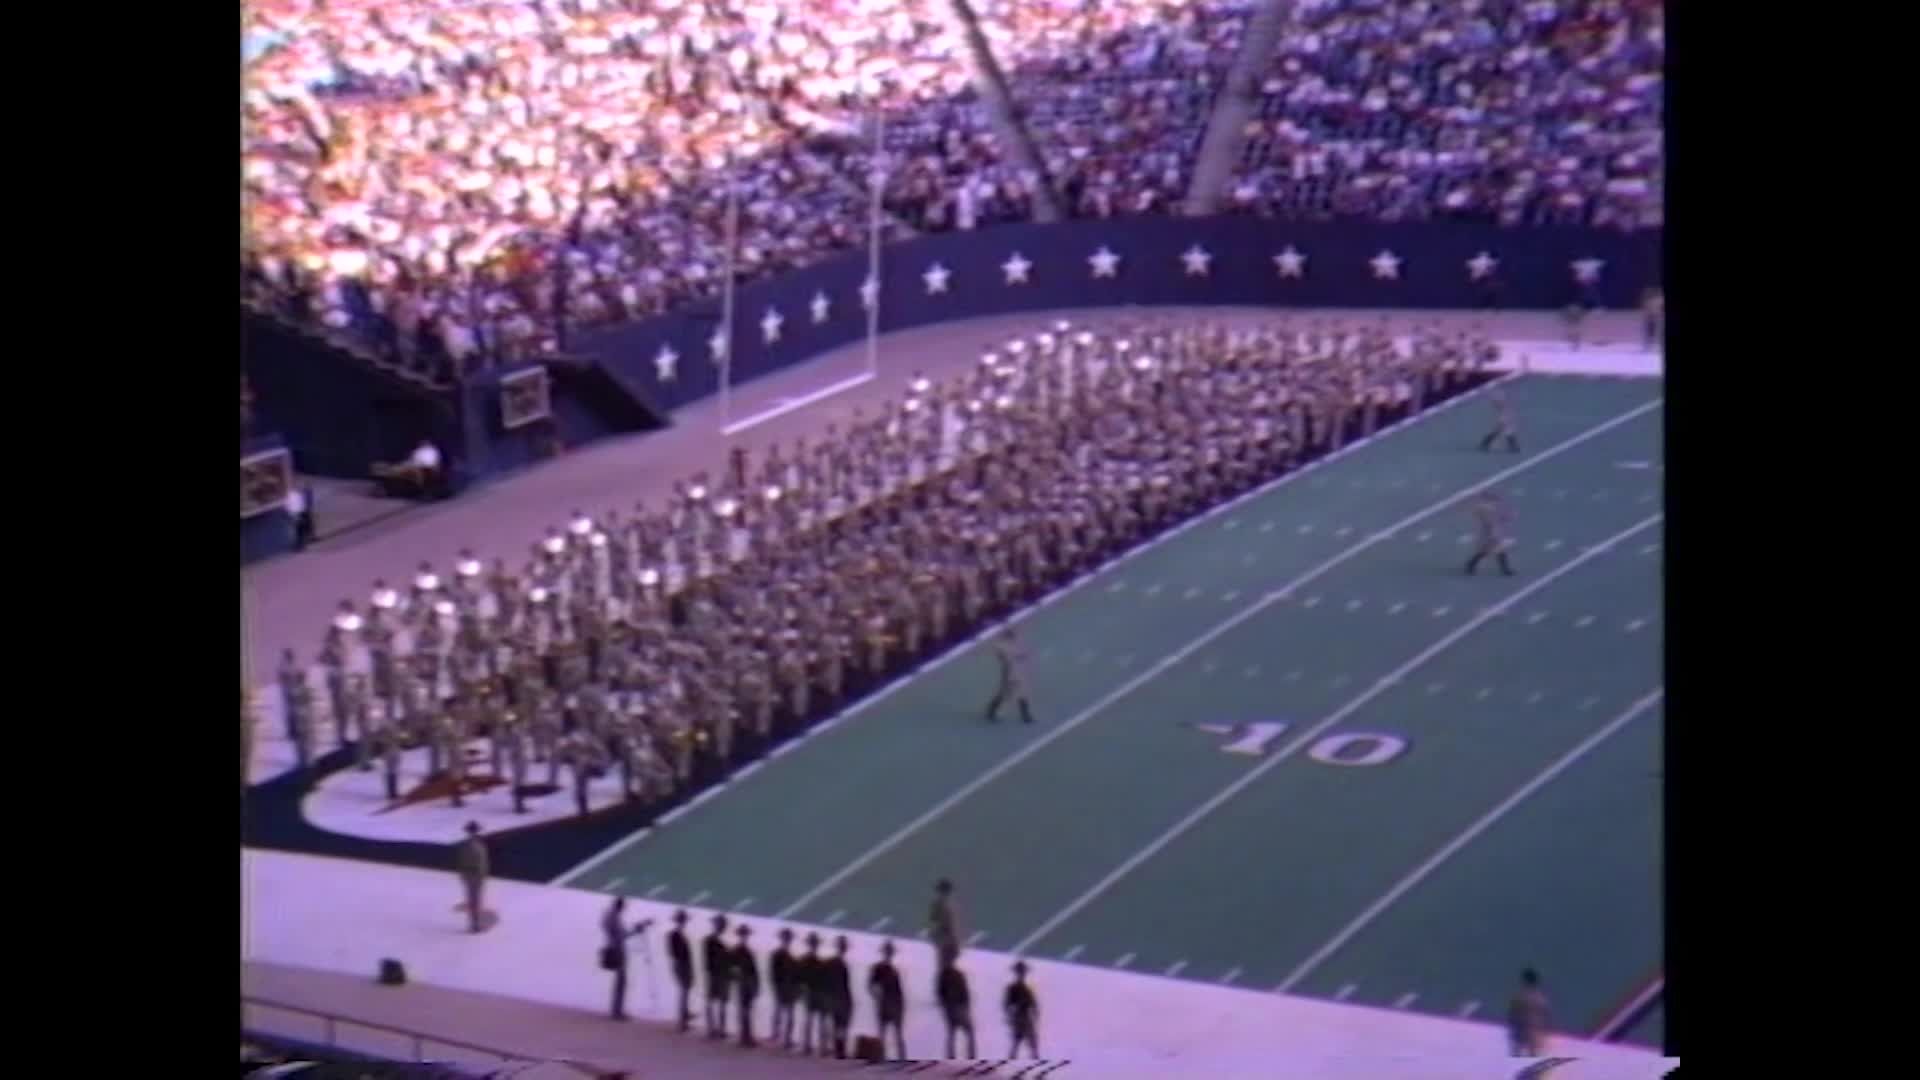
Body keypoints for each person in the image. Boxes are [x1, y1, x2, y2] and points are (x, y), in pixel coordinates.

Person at [600, 897, 651, 1020]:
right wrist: (638, 929)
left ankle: (616, 1010)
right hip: (618, 950)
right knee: (621, 981)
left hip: (612, 947)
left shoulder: (607, 915)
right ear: (620, 907)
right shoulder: (614, 918)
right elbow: (622, 935)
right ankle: (617, 1012)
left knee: (619, 981)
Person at [867, 940, 907, 1060]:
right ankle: (887, 1056)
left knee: (892, 1033)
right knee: (889, 1033)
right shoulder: (881, 969)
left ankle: (895, 1056)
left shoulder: (890, 969)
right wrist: (877, 997)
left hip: (891, 1004)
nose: (889, 954)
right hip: (888, 1004)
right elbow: (871, 985)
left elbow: (871, 986)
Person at [1465, 490, 1517, 577]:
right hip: (1490, 533)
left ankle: (1471, 565)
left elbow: (1501, 518)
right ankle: (1505, 569)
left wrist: (1506, 517)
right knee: (1492, 550)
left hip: (1491, 532)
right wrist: (1493, 532)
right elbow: (1491, 521)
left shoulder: (1487, 508)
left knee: (1488, 550)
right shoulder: (1485, 509)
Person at [454, 822, 490, 934]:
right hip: (474, 875)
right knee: (475, 900)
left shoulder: (469, 844)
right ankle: (475, 924)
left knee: (474, 899)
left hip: (473, 875)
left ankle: (475, 923)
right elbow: (475, 861)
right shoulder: (472, 845)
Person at [1508, 968, 1552, 1057]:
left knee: (1516, 1057)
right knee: (1533, 1057)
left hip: (1520, 1032)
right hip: (1534, 1033)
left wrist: (1513, 1029)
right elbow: (1546, 1017)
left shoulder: (1519, 997)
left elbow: (1512, 1015)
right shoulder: (1541, 999)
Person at [938, 960, 977, 1059]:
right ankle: (971, 1056)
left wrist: (946, 1007)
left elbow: (941, 994)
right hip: (958, 1008)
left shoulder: (945, 975)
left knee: (952, 1033)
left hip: (952, 1008)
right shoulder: (954, 975)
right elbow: (965, 993)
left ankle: (951, 1056)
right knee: (968, 1031)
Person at [702, 914, 733, 1038]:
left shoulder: (711, 941)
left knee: (714, 1001)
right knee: (719, 1002)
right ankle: (717, 1029)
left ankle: (713, 1028)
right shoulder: (716, 943)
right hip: (718, 975)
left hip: (715, 974)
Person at [823, 935, 854, 1058]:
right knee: (840, 1025)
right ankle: (839, 1049)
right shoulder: (838, 963)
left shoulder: (833, 962)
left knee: (838, 1025)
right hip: (840, 998)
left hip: (838, 998)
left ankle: (838, 1048)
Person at [771, 928, 801, 1050]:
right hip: (784, 988)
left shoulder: (784, 955)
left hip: (786, 988)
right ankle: (783, 1037)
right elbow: (775, 974)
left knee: (783, 1012)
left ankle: (780, 1035)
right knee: (786, 1013)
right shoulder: (783, 956)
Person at [1004, 960, 1041, 1059]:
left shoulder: (1026, 989)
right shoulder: (1012, 988)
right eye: (1020, 972)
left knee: (1026, 1042)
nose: (1022, 974)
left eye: (1023, 972)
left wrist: (1035, 1012)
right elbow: (1007, 1004)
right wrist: (1011, 1015)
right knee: (1020, 1042)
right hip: (1019, 1017)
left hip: (1024, 1017)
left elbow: (1033, 1003)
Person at [732, 924, 761, 1048]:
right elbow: (752, 970)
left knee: (745, 1010)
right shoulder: (744, 951)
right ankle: (745, 1037)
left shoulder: (739, 950)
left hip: (744, 981)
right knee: (746, 1010)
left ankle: (745, 1036)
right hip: (746, 982)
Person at [667, 910, 695, 1032]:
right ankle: (682, 1021)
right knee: (684, 991)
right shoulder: (675, 935)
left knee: (685, 991)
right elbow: (675, 953)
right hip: (681, 965)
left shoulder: (678, 934)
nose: (684, 923)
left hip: (682, 964)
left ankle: (684, 1016)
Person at [799, 932, 826, 1055]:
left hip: (813, 992)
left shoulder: (806, 959)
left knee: (811, 1019)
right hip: (814, 992)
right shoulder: (818, 961)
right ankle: (816, 1046)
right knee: (817, 1020)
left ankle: (809, 1045)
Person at [929, 878, 963, 971]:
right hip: (944, 940)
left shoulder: (947, 905)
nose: (947, 894)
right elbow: (934, 922)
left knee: (946, 968)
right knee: (944, 968)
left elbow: (951, 925)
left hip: (947, 941)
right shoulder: (938, 904)